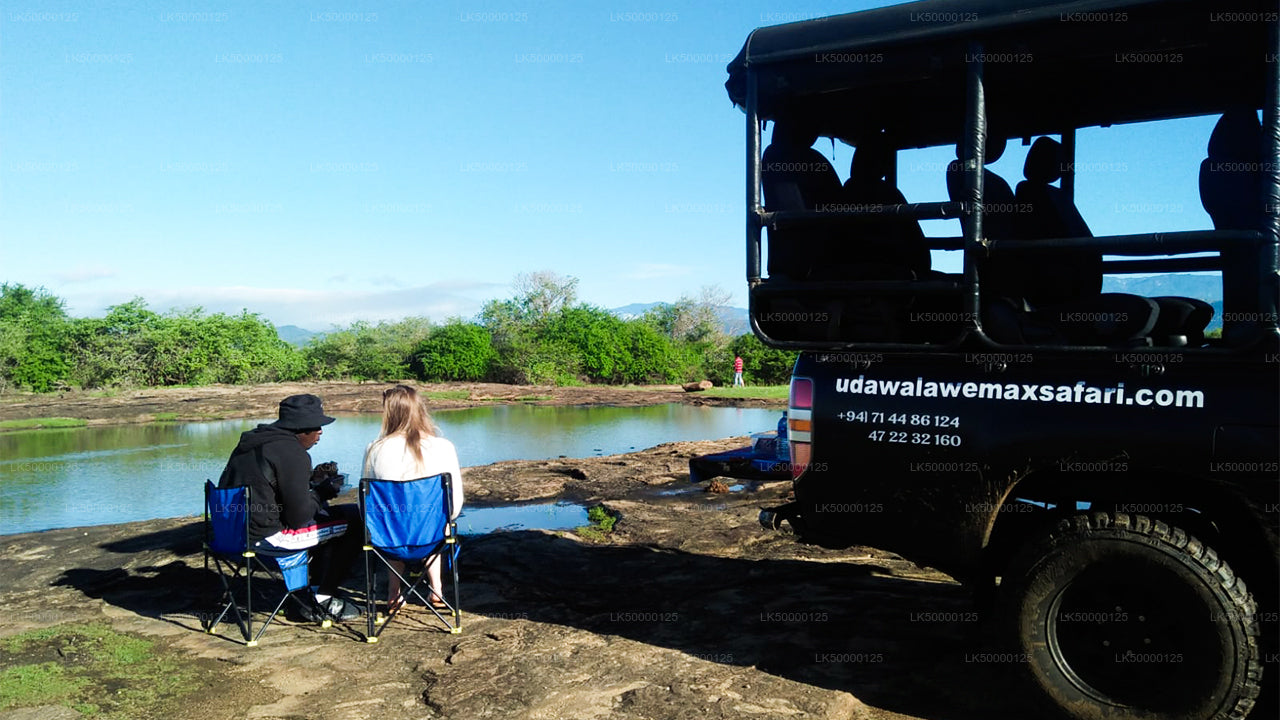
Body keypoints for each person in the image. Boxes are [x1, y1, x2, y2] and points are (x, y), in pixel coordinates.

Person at [217, 394, 364, 622]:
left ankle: (308, 592)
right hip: (269, 537)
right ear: (301, 428)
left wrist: (311, 481)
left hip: (231, 534)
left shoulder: (252, 441)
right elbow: (298, 518)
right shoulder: (292, 452)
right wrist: (322, 493)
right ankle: (322, 598)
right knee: (356, 520)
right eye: (317, 426)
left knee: (331, 521)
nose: (321, 432)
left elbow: (266, 486)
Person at [361, 384, 465, 613]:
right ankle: (436, 589)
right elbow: (454, 502)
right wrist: (449, 519)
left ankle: (393, 592)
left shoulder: (374, 449)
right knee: (433, 518)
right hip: (432, 534)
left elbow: (367, 505)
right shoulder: (443, 447)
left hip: (388, 537)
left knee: (393, 519)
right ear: (420, 410)